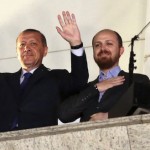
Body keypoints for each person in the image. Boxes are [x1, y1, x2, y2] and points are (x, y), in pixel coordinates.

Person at [0, 11, 88, 132]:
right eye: (22, 45)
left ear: (45, 51)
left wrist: (76, 44)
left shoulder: (56, 77)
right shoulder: (3, 80)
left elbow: (80, 81)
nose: (26, 48)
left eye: (33, 43)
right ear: (17, 52)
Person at [58, 29, 150, 123]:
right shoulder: (87, 88)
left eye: (109, 43)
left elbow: (145, 110)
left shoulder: (137, 80)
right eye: (97, 45)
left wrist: (109, 116)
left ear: (121, 50)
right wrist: (96, 88)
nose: (103, 48)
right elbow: (64, 115)